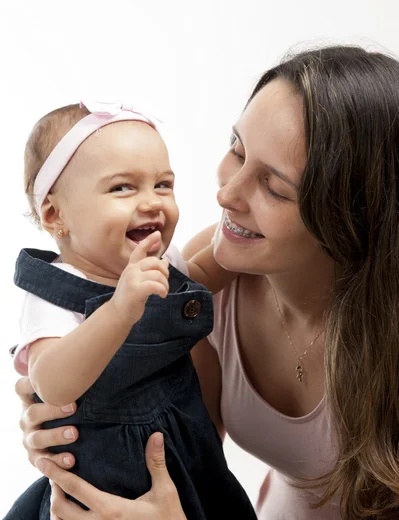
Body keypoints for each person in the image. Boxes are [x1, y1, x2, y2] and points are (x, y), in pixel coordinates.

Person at [14, 44, 399, 520]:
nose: (224, 193)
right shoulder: (213, 272)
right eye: (236, 149)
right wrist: (66, 431)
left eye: (274, 187)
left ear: (351, 216)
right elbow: (186, 437)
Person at [5, 100, 256, 520]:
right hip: (105, 479)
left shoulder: (160, 260)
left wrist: (244, 232)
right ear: (55, 214)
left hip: (188, 457)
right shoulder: (54, 293)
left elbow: (197, 278)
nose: (152, 201)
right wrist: (119, 310)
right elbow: (50, 383)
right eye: (122, 188)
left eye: (163, 185)